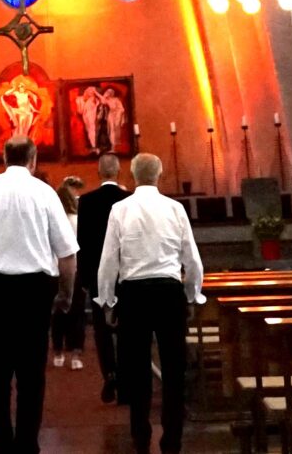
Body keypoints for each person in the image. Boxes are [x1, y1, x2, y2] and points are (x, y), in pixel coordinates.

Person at [0, 135, 79, 454]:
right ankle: (27, 442)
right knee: (31, 372)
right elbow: (67, 254)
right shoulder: (45, 193)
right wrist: (66, 294)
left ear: (3, 158)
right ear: (33, 158)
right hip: (35, 290)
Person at [96, 152, 204, 454]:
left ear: (132, 175)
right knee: (173, 367)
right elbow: (191, 257)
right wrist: (192, 294)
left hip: (134, 295)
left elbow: (109, 260)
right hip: (169, 291)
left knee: (136, 368)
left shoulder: (120, 209)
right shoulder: (175, 209)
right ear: (160, 174)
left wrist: (107, 300)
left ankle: (140, 433)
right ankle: (173, 438)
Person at [73, 152, 129, 399]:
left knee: (101, 328)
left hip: (97, 273)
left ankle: (110, 374)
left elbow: (82, 242)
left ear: (98, 173)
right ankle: (127, 379)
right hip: (126, 272)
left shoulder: (86, 202)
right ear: (118, 172)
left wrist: (84, 279)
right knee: (128, 326)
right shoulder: (128, 200)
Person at [51, 178, 87, 365]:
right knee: (77, 311)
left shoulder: (51, 221)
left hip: (55, 270)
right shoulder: (78, 221)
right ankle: (75, 354)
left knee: (58, 311)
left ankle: (58, 352)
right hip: (75, 269)